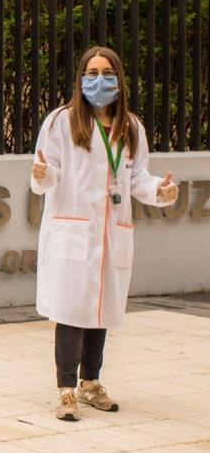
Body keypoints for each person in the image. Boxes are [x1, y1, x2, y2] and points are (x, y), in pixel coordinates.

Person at [31, 46, 178, 421]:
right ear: (80, 80)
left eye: (107, 73)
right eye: (92, 73)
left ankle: (91, 383)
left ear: (119, 79)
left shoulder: (131, 126)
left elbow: (138, 177)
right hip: (74, 229)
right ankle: (66, 390)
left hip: (111, 230)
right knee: (71, 309)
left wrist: (160, 192)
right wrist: (42, 176)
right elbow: (50, 171)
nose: (100, 80)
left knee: (100, 310)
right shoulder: (61, 122)